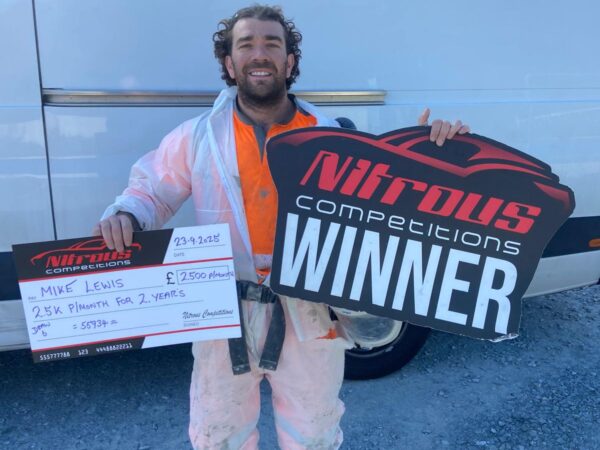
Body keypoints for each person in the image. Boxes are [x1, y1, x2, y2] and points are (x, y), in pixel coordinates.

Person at [93, 5, 470, 449]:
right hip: (223, 311)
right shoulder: (198, 137)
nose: (260, 54)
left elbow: (396, 200)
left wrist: (435, 154)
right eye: (246, 44)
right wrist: (127, 215)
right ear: (229, 63)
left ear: (289, 62)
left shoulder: (333, 138)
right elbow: (152, 191)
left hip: (310, 309)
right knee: (219, 436)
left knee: (313, 435)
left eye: (272, 44)